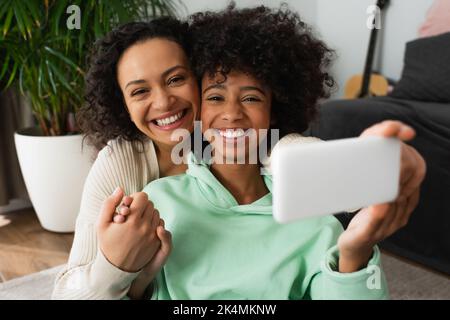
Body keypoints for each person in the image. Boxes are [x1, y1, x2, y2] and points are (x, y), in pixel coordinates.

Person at [123, 5, 426, 299]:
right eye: (215, 97)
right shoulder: (159, 200)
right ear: (197, 110)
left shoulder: (315, 222)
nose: (232, 113)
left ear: (275, 112)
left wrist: (354, 253)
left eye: (252, 98)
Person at [52, 18, 199, 299]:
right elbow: (64, 294)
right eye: (140, 91)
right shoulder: (119, 161)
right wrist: (117, 266)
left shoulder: (236, 140)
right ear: (123, 105)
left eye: (176, 79)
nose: (163, 102)